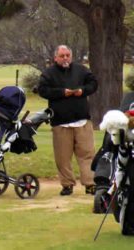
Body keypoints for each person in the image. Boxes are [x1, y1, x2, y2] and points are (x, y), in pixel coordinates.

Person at [38, 45, 98, 196]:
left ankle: (90, 184)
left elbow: (93, 84)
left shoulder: (81, 70)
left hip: (82, 121)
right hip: (61, 122)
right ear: (55, 58)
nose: (65, 58)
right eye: (62, 56)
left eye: (67, 55)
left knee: (87, 154)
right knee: (63, 157)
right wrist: (62, 93)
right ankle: (67, 185)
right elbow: (43, 90)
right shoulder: (49, 74)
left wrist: (82, 91)